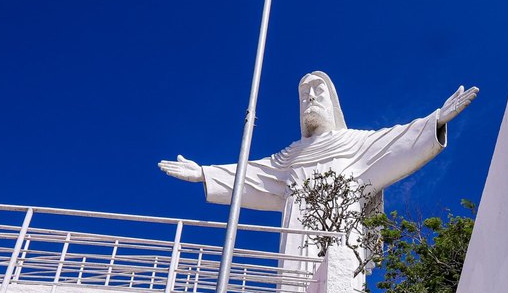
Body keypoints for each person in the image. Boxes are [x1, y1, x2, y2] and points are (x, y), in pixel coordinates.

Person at [158, 72, 478, 264]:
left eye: (317, 92)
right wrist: (205, 173)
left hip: (341, 253)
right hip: (293, 261)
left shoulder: (355, 144)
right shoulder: (289, 157)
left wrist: (435, 121)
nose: (310, 98)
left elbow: (397, 141)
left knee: (338, 285)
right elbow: (252, 175)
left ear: (331, 102)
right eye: (304, 95)